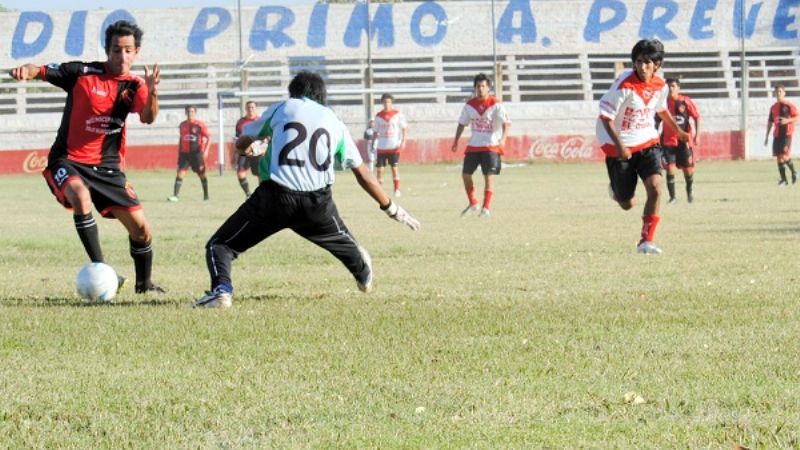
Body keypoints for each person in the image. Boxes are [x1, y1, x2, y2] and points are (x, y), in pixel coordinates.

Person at [193, 71, 420, 308]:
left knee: (220, 245)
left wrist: (249, 149)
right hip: (317, 204)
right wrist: (392, 209)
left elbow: (243, 140)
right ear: (321, 96)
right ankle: (363, 273)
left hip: (275, 197)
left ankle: (222, 291)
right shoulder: (333, 121)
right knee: (348, 246)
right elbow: (362, 173)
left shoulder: (283, 108)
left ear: (294, 93)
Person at [7, 20, 165, 294]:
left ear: (136, 52)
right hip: (68, 161)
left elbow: (148, 118)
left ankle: (144, 285)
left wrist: (152, 92)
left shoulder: (135, 85)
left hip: (108, 168)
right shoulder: (81, 72)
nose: (122, 56)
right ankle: (102, 273)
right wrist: (26, 71)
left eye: (128, 51)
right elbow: (42, 70)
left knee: (142, 231)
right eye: (117, 50)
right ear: (108, 50)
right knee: (80, 196)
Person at [596, 39, 690, 254]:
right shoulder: (623, 87)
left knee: (656, 187)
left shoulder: (660, 85)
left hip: (648, 142)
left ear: (657, 64)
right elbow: (606, 117)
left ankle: (646, 241)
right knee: (626, 203)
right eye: (638, 62)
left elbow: (661, 109)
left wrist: (678, 131)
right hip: (619, 147)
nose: (643, 67)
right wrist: (620, 146)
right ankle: (617, 191)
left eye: (648, 62)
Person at [450, 73, 511, 218]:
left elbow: (506, 123)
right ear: (475, 88)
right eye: (478, 86)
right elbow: (461, 124)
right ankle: (473, 203)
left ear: (488, 88)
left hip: (491, 146)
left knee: (488, 177)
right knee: (465, 175)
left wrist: (503, 139)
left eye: (483, 86)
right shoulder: (469, 105)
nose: (480, 89)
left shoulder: (496, 104)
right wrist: (456, 140)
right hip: (474, 146)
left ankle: (486, 208)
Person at [659, 78, 700, 203]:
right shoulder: (662, 104)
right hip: (668, 142)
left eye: (673, 86)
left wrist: (697, 135)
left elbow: (697, 117)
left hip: (684, 142)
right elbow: (656, 120)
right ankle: (673, 198)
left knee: (687, 169)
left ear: (678, 88)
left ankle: (689, 191)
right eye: (668, 86)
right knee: (670, 168)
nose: (670, 89)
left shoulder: (685, 102)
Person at [168, 105, 211, 201]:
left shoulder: (200, 125)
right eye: (188, 111)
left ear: (195, 113)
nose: (190, 113)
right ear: (185, 113)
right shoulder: (182, 125)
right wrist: (179, 152)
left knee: (201, 173)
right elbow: (181, 138)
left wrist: (206, 150)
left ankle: (206, 195)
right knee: (180, 173)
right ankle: (175, 196)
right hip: (184, 154)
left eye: (192, 111)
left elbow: (209, 137)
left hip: (196, 154)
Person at [374, 93, 408, 197]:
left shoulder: (397, 114)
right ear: (382, 103)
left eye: (388, 102)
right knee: (380, 170)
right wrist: (373, 142)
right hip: (382, 146)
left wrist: (403, 140)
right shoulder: (378, 116)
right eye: (385, 102)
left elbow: (404, 128)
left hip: (394, 146)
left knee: (394, 168)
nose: (386, 104)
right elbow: (376, 131)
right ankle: (380, 191)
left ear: (391, 103)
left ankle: (397, 189)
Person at [764, 84, 799, 185]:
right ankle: (784, 180)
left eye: (780, 91)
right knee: (778, 156)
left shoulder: (789, 105)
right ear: (774, 93)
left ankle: (794, 172)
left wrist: (788, 120)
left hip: (787, 134)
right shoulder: (773, 108)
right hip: (777, 135)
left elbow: (797, 117)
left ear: (784, 93)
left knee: (784, 155)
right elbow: (770, 122)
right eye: (777, 92)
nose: (778, 93)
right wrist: (766, 136)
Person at [234, 101, 263, 197]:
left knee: (259, 174)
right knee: (240, 173)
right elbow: (237, 138)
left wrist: (263, 149)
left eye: (252, 107)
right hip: (243, 151)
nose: (250, 109)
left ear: (256, 108)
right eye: (248, 107)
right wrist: (235, 153)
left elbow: (266, 136)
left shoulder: (261, 121)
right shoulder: (240, 122)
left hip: (257, 151)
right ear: (245, 109)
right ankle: (247, 194)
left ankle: (262, 194)